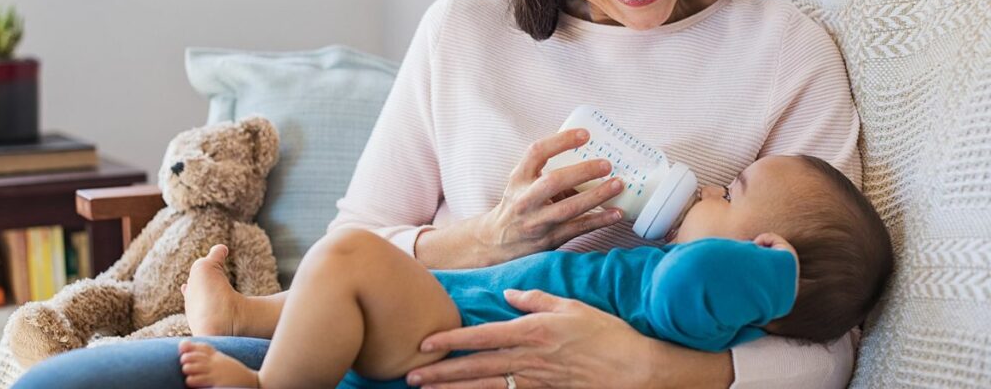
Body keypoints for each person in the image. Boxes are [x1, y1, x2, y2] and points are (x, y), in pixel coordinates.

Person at [13, 0, 868, 387]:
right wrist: (487, 236)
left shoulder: (781, 49)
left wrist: (635, 366)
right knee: (64, 383)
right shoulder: (467, 30)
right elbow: (355, 242)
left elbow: (831, 335)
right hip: (398, 349)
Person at [175, 155, 893, 388]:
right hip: (457, 304)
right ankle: (247, 315)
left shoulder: (694, 294)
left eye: (729, 193)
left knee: (350, 260)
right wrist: (488, 231)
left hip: (459, 338)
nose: (707, 188)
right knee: (355, 277)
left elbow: (706, 283)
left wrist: (771, 275)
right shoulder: (458, 24)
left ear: (762, 257)